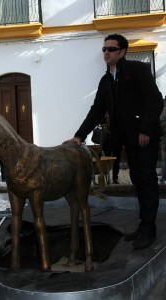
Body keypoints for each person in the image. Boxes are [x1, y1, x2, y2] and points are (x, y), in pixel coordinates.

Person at [64, 34, 164, 250]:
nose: (106, 52)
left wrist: (146, 128)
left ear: (122, 52)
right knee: (138, 179)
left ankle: (149, 230)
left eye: (111, 49)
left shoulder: (137, 70)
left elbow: (155, 99)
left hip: (144, 136)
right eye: (104, 49)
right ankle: (143, 224)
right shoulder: (106, 80)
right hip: (126, 138)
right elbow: (97, 110)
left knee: (147, 180)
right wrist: (79, 136)